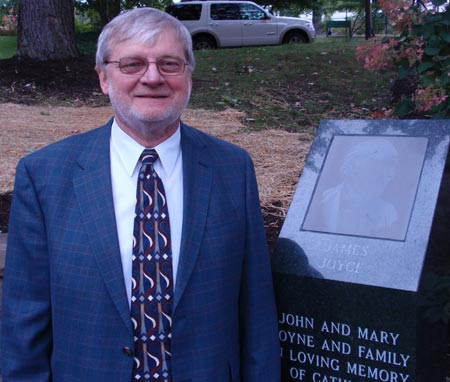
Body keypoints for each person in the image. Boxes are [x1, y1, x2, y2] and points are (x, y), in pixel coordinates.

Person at [1, 7, 280, 382]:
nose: (153, 77)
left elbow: (257, 311)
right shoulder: (45, 175)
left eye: (169, 63)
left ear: (188, 76)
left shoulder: (233, 169)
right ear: (103, 78)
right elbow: (23, 321)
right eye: (132, 64)